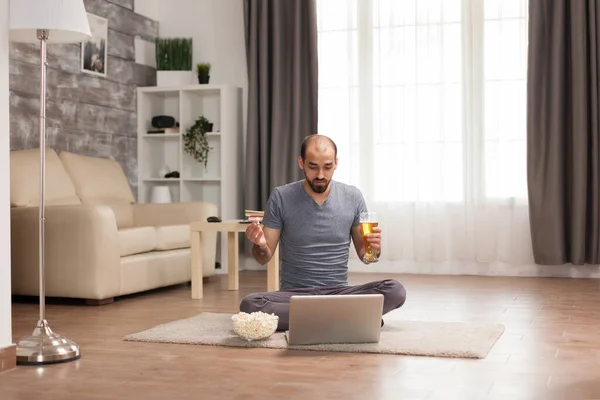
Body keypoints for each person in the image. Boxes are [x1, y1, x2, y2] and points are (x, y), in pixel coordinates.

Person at [240, 134, 407, 331]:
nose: (320, 175)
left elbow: (366, 257)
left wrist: (375, 249)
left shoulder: (352, 197)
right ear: (301, 163)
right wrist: (259, 245)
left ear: (336, 163)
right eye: (313, 167)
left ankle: (316, 320)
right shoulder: (281, 197)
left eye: (327, 167)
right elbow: (263, 258)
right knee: (251, 305)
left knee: (396, 290)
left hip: (339, 294)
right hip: (295, 295)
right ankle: (351, 319)